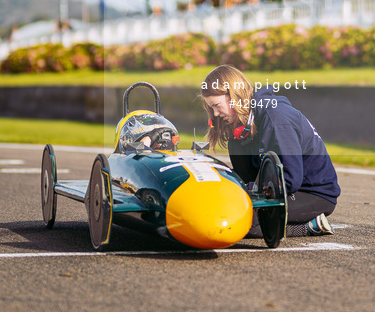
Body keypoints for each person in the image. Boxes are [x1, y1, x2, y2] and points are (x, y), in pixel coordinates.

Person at [200, 64, 339, 237]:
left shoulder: (276, 119)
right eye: (211, 108)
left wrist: (250, 194)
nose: (215, 114)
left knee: (237, 221)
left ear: (234, 95)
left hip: (312, 193)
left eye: (216, 105)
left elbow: (289, 179)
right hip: (278, 188)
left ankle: (308, 227)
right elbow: (246, 178)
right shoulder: (242, 125)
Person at [115, 111, 179, 152]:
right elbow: (136, 151)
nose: (159, 143)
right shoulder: (128, 155)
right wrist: (150, 137)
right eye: (155, 139)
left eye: (160, 138)